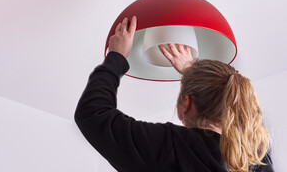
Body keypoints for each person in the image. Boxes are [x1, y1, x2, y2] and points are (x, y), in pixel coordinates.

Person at [74, 16, 274, 172]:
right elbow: (249, 119)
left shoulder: (171, 146)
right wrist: (193, 74)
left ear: (186, 104)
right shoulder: (254, 153)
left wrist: (116, 57)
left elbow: (92, 114)